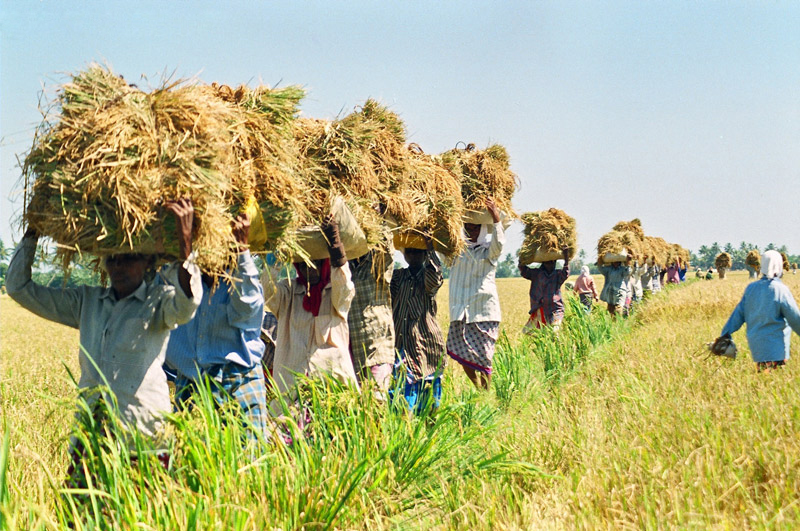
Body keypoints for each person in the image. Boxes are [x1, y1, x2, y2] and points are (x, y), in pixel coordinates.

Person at [6, 198, 202, 479]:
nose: (118, 267)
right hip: (90, 437)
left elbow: (187, 305)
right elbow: (19, 288)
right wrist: (33, 231)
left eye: (128, 258)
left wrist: (185, 247)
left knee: (139, 519)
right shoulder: (88, 302)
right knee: (82, 517)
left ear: (148, 261)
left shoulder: (159, 302)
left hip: (142, 438)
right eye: (112, 259)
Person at [163, 212, 268, 441]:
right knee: (189, 465)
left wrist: (242, 252)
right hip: (190, 382)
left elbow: (248, 312)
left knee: (247, 464)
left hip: (236, 380)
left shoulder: (240, 278)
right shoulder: (180, 276)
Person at [261, 215, 358, 406]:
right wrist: (275, 259)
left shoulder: (335, 294)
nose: (309, 270)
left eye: (315, 264)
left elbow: (345, 287)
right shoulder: (288, 294)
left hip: (332, 392)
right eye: (304, 265)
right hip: (290, 391)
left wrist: (337, 249)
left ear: (325, 265)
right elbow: (266, 291)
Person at [446, 198, 505, 389]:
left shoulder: (489, 252)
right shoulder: (457, 253)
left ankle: (486, 389)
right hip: (459, 311)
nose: (471, 231)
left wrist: (496, 217)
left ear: (483, 230)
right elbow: (441, 251)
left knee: (485, 355)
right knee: (461, 353)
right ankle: (477, 387)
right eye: (468, 227)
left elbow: (499, 243)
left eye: (476, 228)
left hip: (483, 310)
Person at [714, 250, 800, 371]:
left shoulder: (751, 288)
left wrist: (725, 334)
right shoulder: (780, 289)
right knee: (775, 376)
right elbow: (794, 318)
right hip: (777, 344)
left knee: (763, 373)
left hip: (756, 344)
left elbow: (738, 315)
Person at [390, 239, 446, 414]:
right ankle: (406, 436)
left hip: (426, 344)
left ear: (424, 255)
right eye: (409, 252)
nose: (413, 256)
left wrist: (430, 245)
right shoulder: (398, 277)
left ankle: (430, 436)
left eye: (418, 252)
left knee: (430, 400)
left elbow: (435, 278)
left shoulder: (428, 278)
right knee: (402, 399)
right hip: (401, 343)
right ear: (404, 254)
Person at [347, 235, 395, 394]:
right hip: (351, 350)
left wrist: (379, 217)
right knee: (357, 406)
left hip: (377, 347)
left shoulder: (377, 264)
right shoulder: (345, 267)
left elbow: (387, 247)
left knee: (376, 401)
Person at [519, 247, 571, 331]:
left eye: (552, 262)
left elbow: (566, 272)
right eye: (547, 262)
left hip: (555, 310)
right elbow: (524, 271)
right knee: (532, 333)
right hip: (539, 308)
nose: (550, 264)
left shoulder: (557, 275)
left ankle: (557, 343)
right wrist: (522, 257)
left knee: (555, 332)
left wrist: (566, 257)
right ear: (543, 263)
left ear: (555, 263)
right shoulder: (536, 273)